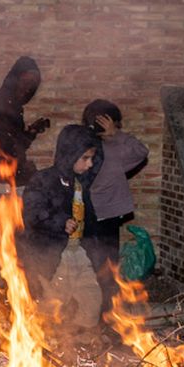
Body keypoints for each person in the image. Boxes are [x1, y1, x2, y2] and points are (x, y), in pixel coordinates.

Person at [18, 124, 103, 314]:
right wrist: (60, 221)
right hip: (55, 254)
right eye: (85, 158)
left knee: (92, 301)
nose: (89, 164)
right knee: (53, 305)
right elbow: (32, 213)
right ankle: (49, 340)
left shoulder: (80, 183)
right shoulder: (43, 180)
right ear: (70, 155)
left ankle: (86, 340)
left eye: (92, 158)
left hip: (80, 253)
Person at [80, 99, 148, 272]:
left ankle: (107, 295)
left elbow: (141, 152)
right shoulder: (94, 147)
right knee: (101, 261)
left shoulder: (109, 147)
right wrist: (116, 134)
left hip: (105, 213)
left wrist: (114, 135)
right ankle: (106, 294)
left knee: (103, 260)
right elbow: (141, 152)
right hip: (88, 211)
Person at [0, 56, 50, 185]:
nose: (28, 88)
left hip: (12, 179)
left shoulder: (15, 110)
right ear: (15, 79)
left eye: (33, 83)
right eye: (25, 81)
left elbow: (14, 147)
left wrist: (31, 132)